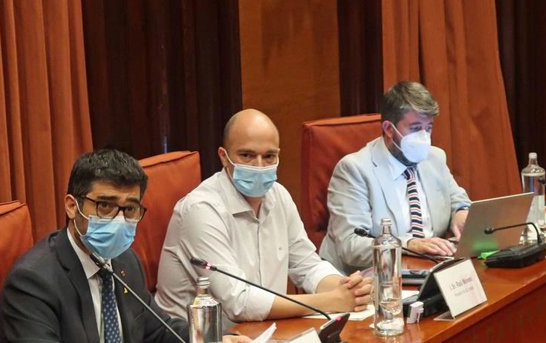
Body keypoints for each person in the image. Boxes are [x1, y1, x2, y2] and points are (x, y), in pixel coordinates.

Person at [0, 149, 250, 343]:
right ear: (71, 206)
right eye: (105, 206)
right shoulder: (33, 280)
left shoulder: (125, 260)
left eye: (130, 209)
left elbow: (157, 330)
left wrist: (213, 341)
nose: (118, 219)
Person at [155, 109, 371, 323]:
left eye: (269, 156)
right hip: (198, 339)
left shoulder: (279, 195)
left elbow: (307, 265)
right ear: (224, 157)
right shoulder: (201, 209)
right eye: (247, 156)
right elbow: (238, 302)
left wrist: (347, 289)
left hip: (263, 331)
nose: (259, 166)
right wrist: (330, 301)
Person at [319, 81, 472, 273]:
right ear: (389, 129)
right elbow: (350, 246)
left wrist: (461, 212)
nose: (424, 137)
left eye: (428, 128)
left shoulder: (434, 157)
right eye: (415, 128)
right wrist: (409, 245)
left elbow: (457, 198)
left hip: (430, 268)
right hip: (369, 275)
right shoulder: (354, 170)